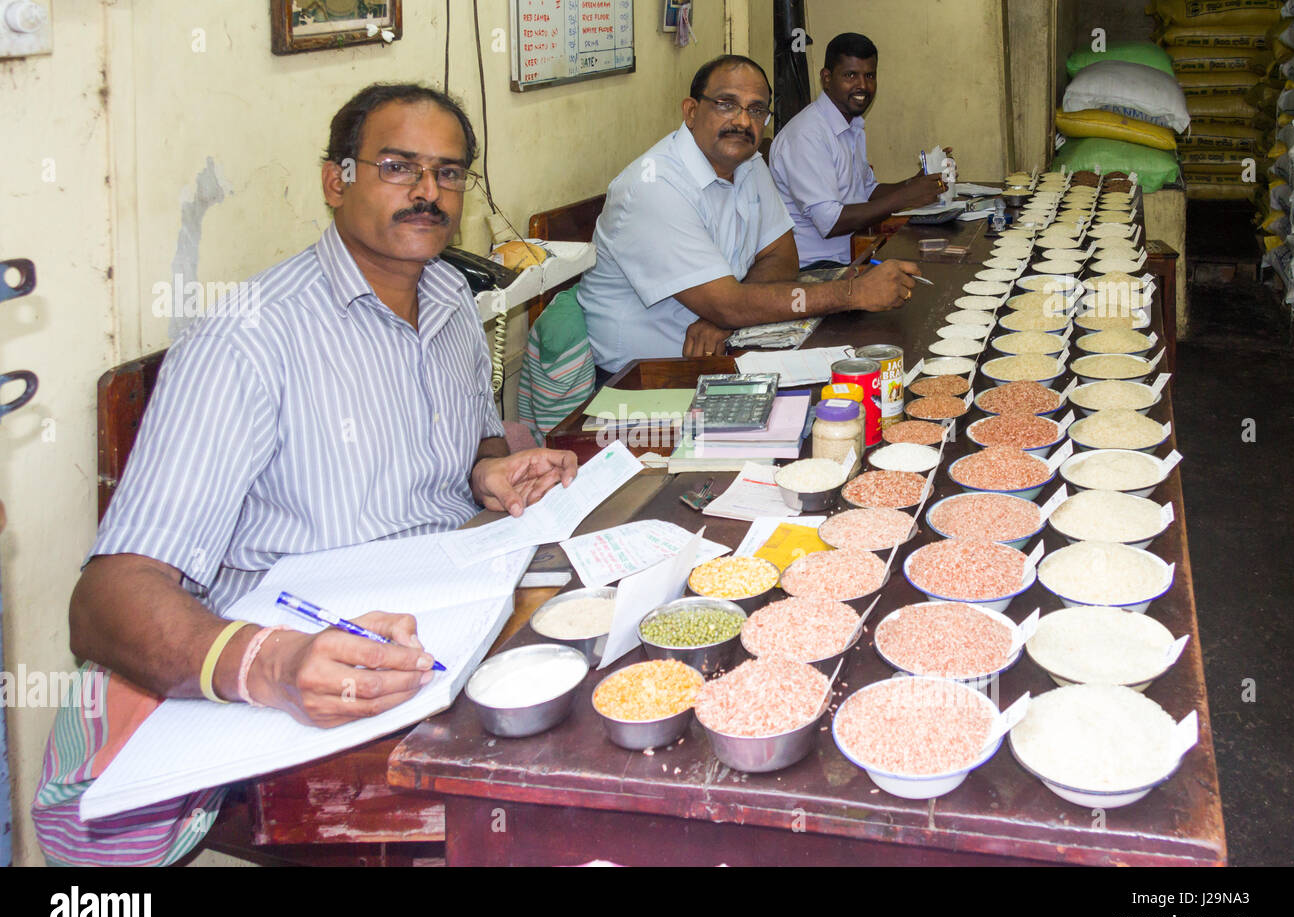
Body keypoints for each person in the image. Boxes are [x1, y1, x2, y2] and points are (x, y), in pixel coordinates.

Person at [33, 83, 577, 863]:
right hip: (312, 667)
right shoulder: (249, 340)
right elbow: (105, 603)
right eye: (397, 166)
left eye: (449, 173)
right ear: (336, 180)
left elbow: (467, 450)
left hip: (445, 617)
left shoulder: (454, 296)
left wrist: (489, 472)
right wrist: (272, 665)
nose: (428, 192)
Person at [576, 54, 922, 377]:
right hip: (645, 377)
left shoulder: (748, 162)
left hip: (728, 349)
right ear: (691, 111)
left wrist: (727, 316)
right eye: (726, 105)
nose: (742, 121)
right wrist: (851, 293)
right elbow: (727, 305)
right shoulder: (653, 187)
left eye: (756, 110)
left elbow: (783, 256)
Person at [769, 33, 948, 269]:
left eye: (869, 75)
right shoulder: (805, 135)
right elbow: (830, 222)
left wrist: (914, 184)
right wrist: (904, 197)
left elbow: (867, 189)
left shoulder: (852, 124)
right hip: (814, 268)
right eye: (850, 75)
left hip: (854, 255)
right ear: (826, 78)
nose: (862, 86)